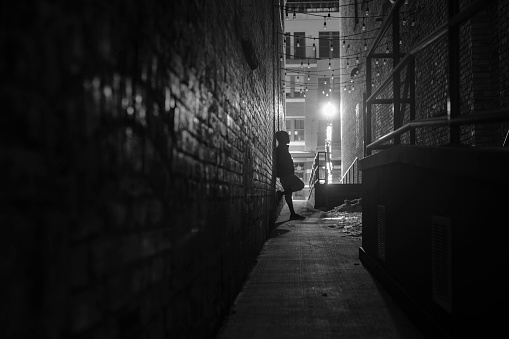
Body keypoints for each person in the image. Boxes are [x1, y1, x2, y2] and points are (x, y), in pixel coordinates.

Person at [275, 130, 306, 220]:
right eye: (287, 137)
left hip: (284, 176)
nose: (288, 138)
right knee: (301, 185)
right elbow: (284, 163)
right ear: (284, 139)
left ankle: (292, 214)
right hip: (287, 174)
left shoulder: (282, 149)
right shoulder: (282, 149)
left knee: (289, 196)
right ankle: (281, 194)